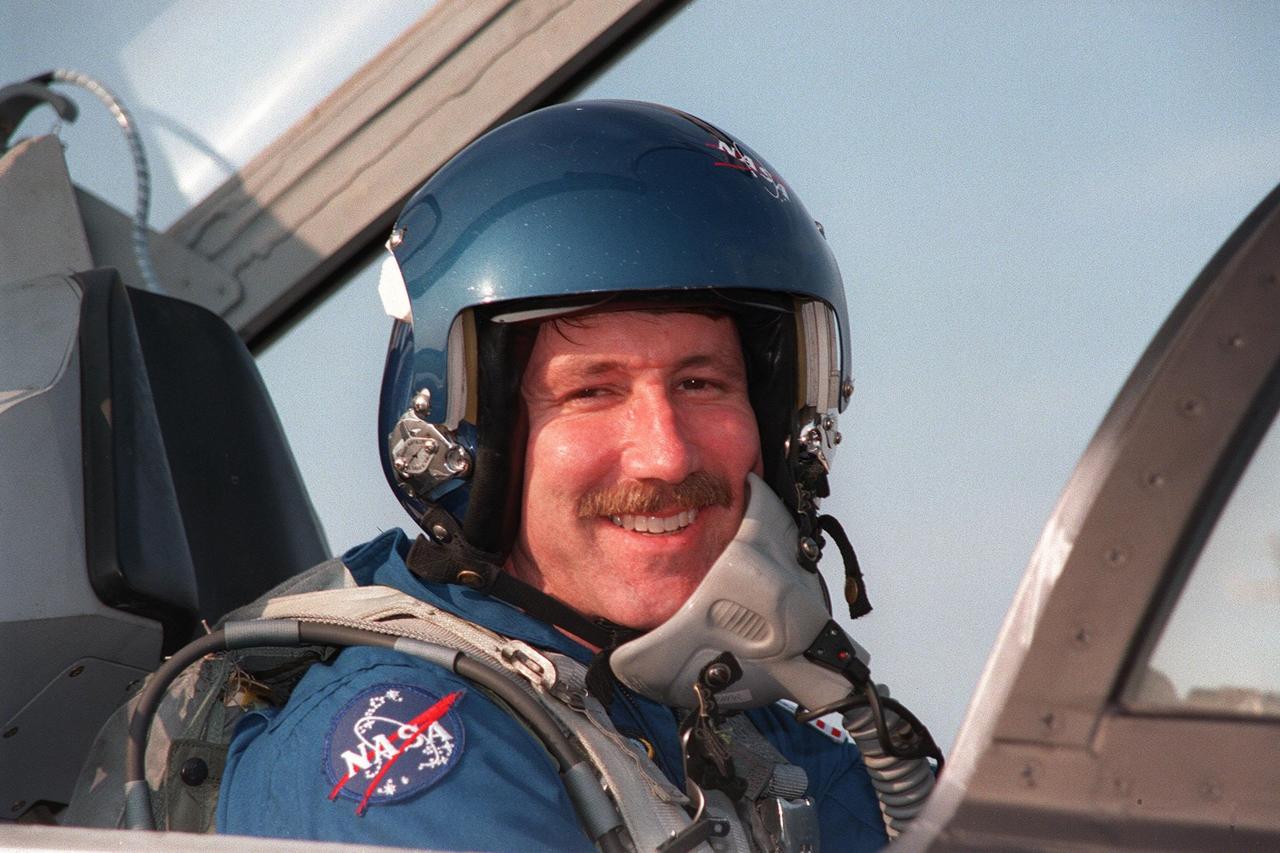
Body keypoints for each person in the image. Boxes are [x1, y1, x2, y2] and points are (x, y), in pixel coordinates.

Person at [213, 101, 926, 851]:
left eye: (701, 384)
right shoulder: (414, 748)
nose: (667, 455)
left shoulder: (735, 731)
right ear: (475, 440)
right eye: (592, 391)